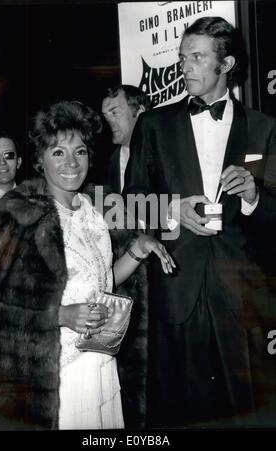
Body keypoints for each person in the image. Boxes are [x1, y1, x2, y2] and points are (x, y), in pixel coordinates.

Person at [0, 100, 174, 430]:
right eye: (58, 152)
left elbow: (104, 281)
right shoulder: (23, 216)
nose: (71, 163)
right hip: (58, 375)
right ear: (39, 160)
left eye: (79, 152)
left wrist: (137, 250)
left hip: (100, 363)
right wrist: (63, 315)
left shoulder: (93, 212)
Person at [124, 16, 276, 428]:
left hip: (242, 293)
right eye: (181, 57)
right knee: (180, 410)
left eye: (196, 57)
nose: (184, 67)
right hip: (178, 285)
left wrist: (252, 196)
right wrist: (172, 210)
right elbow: (130, 201)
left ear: (225, 65)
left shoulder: (264, 129)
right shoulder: (152, 125)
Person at [102, 85, 151, 193]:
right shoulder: (102, 166)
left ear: (140, 112)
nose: (109, 121)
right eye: (106, 116)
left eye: (114, 113)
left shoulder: (165, 155)